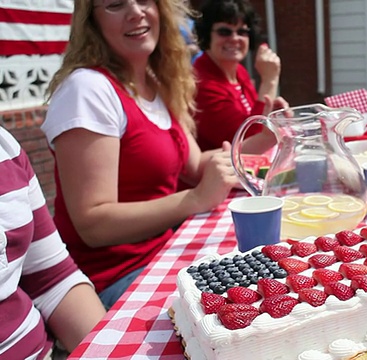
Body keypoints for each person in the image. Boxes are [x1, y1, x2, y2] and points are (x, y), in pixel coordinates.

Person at [41, 0, 238, 310]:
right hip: (113, 279)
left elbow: (197, 165)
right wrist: (195, 199)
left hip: (163, 255)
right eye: (115, 4)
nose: (135, 12)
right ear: (91, 22)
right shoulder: (87, 89)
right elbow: (93, 224)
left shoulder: (154, 84)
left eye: (145, 0)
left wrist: (256, 145)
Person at [0, 126, 106, 359]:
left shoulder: (6, 147)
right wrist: (193, 199)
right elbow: (92, 223)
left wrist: (109, 352)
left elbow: (54, 280)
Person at [193, 0, 287, 154]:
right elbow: (249, 140)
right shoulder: (200, 83)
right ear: (206, 34)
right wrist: (270, 81)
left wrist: (274, 112)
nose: (235, 38)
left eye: (242, 32)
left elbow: (254, 119)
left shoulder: (239, 71)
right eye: (224, 31)